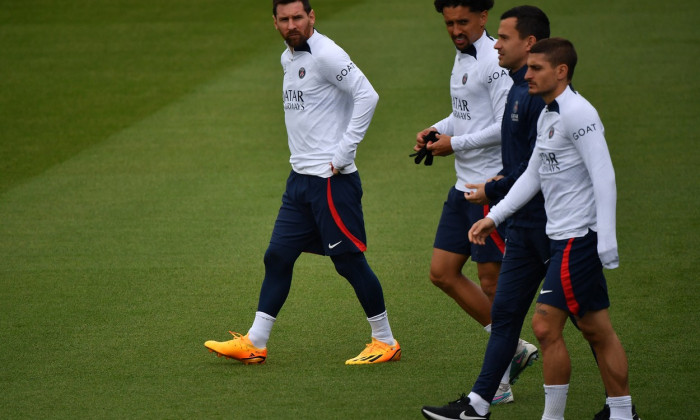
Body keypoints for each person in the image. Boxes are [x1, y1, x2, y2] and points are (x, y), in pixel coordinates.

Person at [204, 0, 400, 366]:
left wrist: (343, 152)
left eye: (298, 17)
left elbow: (367, 96)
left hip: (331, 181)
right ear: (275, 23)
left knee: (349, 262)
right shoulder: (288, 57)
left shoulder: (326, 54)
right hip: (299, 181)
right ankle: (256, 342)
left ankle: (385, 341)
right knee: (277, 256)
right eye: (284, 19)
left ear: (312, 17)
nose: (292, 24)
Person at [470, 38, 636, 419]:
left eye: (536, 68)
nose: (526, 74)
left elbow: (604, 175)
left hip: (578, 238)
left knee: (544, 326)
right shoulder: (549, 114)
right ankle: (623, 413)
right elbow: (533, 176)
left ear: (560, 71)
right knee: (597, 328)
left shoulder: (579, 113)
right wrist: (494, 215)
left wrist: (606, 239)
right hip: (561, 236)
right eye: (527, 67)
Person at [422, 7, 551, 418]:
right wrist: (436, 129)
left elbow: (502, 126)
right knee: (442, 272)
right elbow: (465, 115)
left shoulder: (497, 64)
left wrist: (453, 145)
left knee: (494, 282)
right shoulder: (463, 58)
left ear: (482, 17)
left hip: (491, 189)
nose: (455, 31)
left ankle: (498, 384)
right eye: (448, 24)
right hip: (463, 187)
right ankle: (514, 351)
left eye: (462, 23)